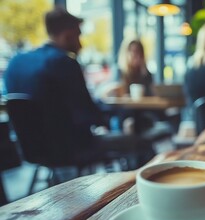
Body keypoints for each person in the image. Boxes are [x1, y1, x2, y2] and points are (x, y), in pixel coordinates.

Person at [4, 7, 147, 166]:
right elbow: (89, 113)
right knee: (140, 142)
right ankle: (135, 187)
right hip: (71, 148)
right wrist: (114, 114)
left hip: (30, 150)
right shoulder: (64, 63)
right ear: (68, 35)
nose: (81, 43)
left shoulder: (15, 63)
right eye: (79, 35)